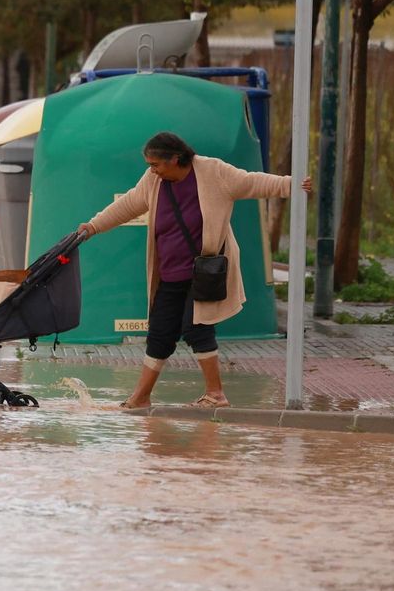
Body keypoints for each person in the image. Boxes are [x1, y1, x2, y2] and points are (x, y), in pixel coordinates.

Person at [76, 132, 311, 409]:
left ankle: (216, 395)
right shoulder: (153, 181)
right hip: (169, 272)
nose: (152, 170)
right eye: (150, 165)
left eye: (156, 164)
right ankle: (141, 397)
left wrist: (293, 185)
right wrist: (93, 226)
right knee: (160, 333)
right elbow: (128, 204)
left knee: (196, 329)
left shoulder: (213, 172)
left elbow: (251, 182)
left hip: (203, 273)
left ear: (175, 158)